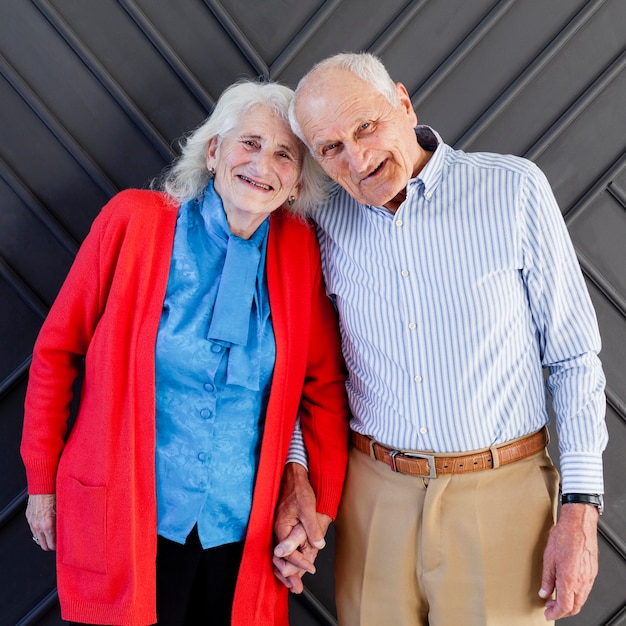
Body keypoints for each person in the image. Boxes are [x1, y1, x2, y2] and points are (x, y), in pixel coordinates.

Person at [273, 52, 608, 625]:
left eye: (366, 126)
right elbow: (302, 368)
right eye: (330, 149)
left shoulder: (515, 191)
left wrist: (580, 510)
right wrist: (298, 473)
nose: (357, 158)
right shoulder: (319, 221)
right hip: (371, 498)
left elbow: (573, 358)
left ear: (403, 103)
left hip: (502, 497)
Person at [21, 79, 349, 626]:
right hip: (127, 517)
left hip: (242, 532)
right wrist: (41, 480)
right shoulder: (134, 221)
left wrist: (317, 506)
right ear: (215, 150)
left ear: (295, 182)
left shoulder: (297, 252)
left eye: (283, 154)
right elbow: (57, 351)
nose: (262, 164)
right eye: (249, 143)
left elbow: (323, 390)